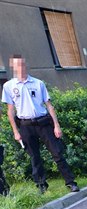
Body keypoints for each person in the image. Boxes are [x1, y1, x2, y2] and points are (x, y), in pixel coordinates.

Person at [1, 55, 79, 194]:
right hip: (25, 125)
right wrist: (16, 131)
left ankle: (70, 182)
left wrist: (56, 125)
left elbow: (49, 105)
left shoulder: (38, 83)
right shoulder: (9, 86)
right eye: (18, 66)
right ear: (13, 68)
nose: (21, 68)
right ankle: (41, 185)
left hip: (43, 123)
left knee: (57, 153)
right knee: (34, 157)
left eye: (23, 65)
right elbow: (10, 110)